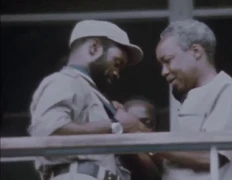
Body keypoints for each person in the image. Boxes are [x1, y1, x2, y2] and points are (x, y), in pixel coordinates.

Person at [28, 20, 149, 180]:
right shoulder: (65, 80)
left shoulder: (91, 92)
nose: (116, 73)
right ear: (94, 48)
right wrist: (117, 126)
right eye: (117, 62)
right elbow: (49, 130)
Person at [154, 19, 232, 180]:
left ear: (196, 51)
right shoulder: (191, 97)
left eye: (168, 60)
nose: (164, 71)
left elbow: (209, 157)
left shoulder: (227, 90)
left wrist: (146, 138)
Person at [118, 97, 163, 180]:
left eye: (147, 124)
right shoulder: (112, 154)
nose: (137, 128)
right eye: (130, 123)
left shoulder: (163, 157)